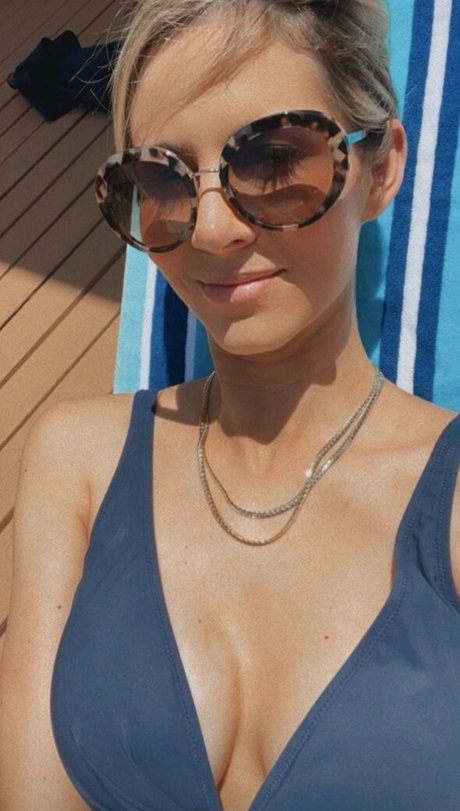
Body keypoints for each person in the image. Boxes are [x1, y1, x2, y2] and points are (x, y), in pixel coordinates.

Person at [1, 1, 459, 809]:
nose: (212, 230)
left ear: (381, 168)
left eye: (274, 158)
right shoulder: (79, 463)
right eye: (161, 177)